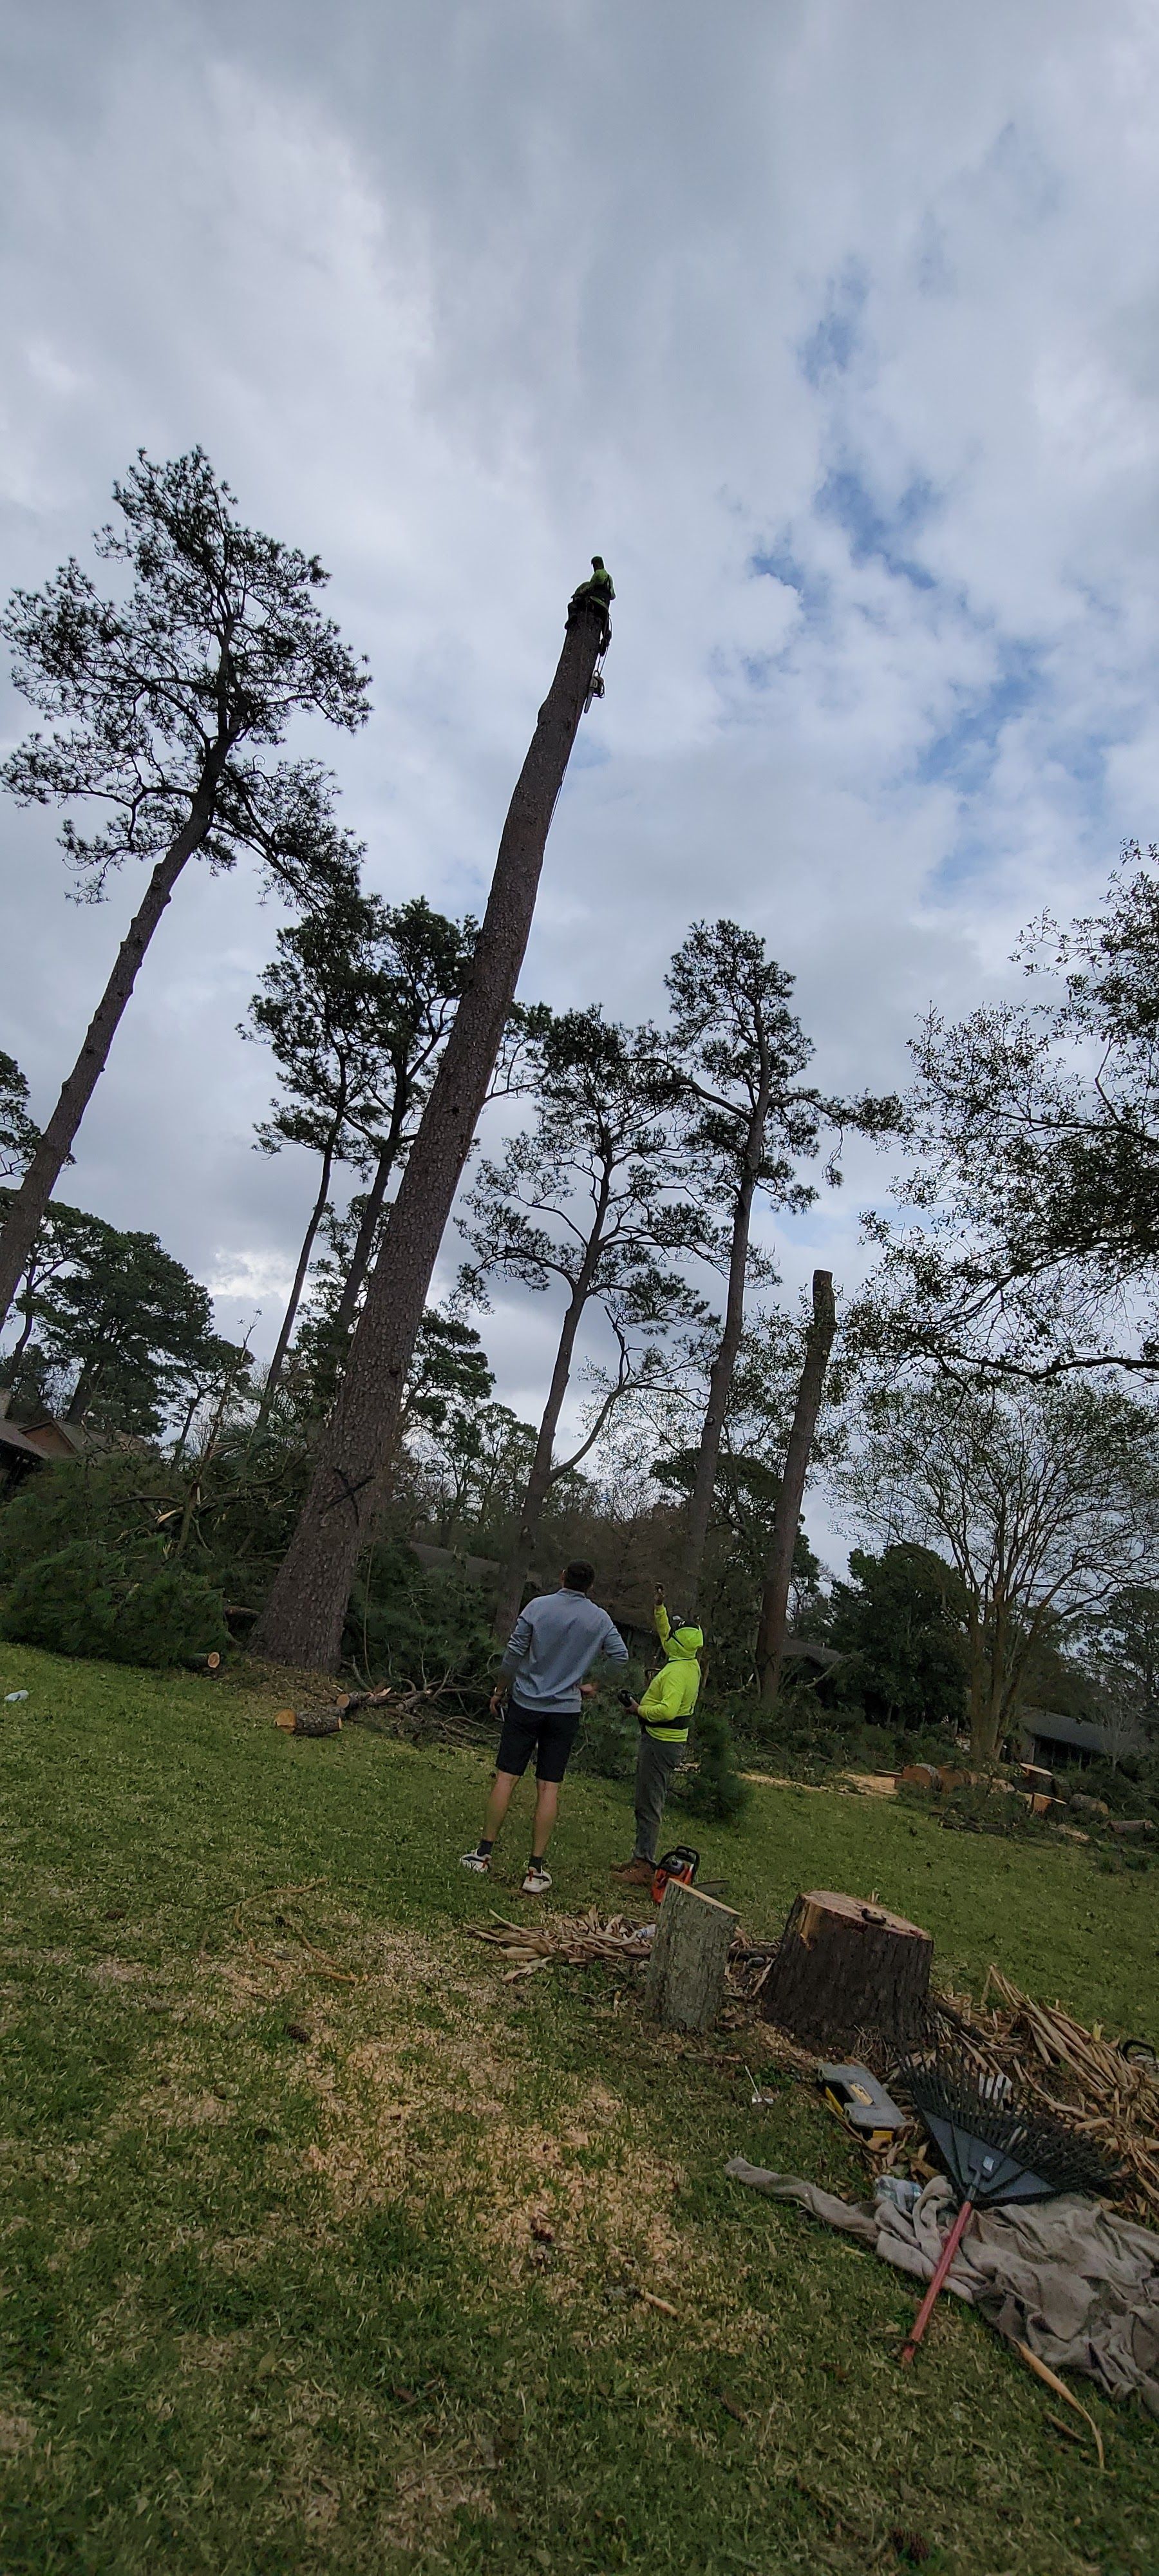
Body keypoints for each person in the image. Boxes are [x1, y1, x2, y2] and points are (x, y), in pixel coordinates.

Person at [461, 1560, 628, 1895]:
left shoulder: (538, 1607)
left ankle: (482, 1854)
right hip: (565, 1711)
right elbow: (620, 1658)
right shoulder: (599, 1618)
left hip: (525, 1704)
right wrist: (595, 1685)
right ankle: (535, 1870)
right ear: (590, 1586)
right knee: (549, 1788)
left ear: (563, 1577)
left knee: (506, 1778)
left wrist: (500, 1690)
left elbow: (513, 1654)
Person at [610, 1584, 702, 1887]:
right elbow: (667, 1635)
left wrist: (639, 1710)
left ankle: (644, 1865)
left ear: (679, 1642)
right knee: (646, 1799)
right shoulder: (688, 1661)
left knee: (649, 1803)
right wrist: (660, 1608)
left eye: (673, 1632)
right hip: (665, 1742)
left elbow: (668, 1710)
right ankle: (640, 1856)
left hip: (661, 1743)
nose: (668, 1635)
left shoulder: (676, 1674)